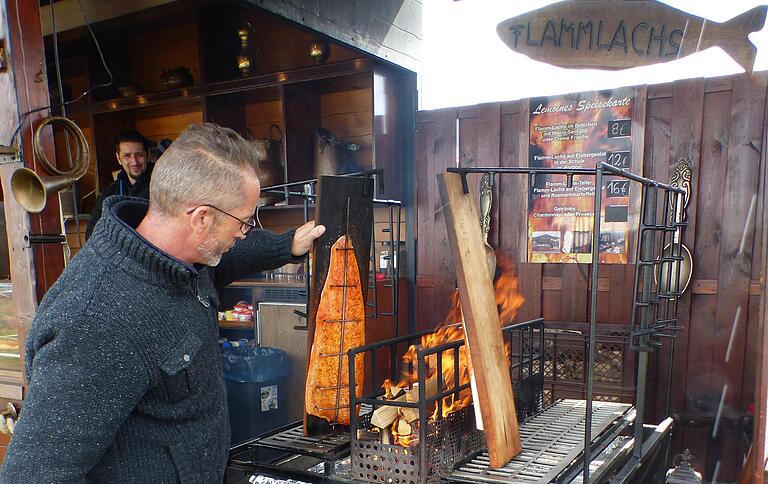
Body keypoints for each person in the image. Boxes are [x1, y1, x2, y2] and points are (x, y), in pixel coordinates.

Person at [1, 123, 325, 483]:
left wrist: (287, 245)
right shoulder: (95, 322)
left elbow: (227, 256)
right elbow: (32, 475)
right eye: (245, 222)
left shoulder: (185, 257)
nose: (243, 232)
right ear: (201, 218)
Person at [84, 129, 154, 240]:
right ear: (118, 158)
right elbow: (92, 232)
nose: (134, 161)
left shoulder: (160, 186)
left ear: (148, 154)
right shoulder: (109, 192)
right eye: (127, 156)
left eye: (139, 155)